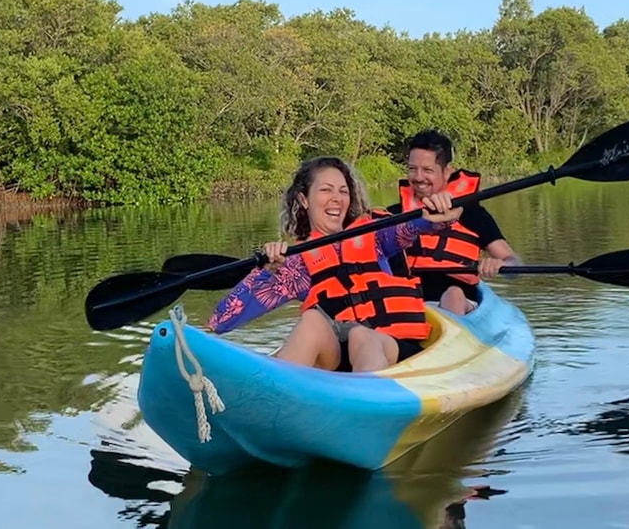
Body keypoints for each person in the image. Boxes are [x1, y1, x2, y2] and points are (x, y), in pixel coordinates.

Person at [206, 156, 463, 373]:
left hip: (391, 348)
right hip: (337, 361)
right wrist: (265, 273)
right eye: (325, 190)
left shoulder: (376, 234)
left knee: (361, 336)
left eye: (343, 191)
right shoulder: (295, 264)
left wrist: (436, 217)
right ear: (304, 200)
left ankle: (369, 406)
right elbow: (221, 320)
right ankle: (273, 407)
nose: (337, 199)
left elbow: (411, 227)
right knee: (312, 322)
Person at [382, 129, 521, 316]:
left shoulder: (472, 214)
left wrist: (499, 265)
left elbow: (514, 263)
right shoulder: (393, 215)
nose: (418, 177)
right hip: (407, 301)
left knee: (453, 294)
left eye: (428, 170)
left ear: (447, 172)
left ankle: (453, 337)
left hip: (460, 302)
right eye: (412, 168)